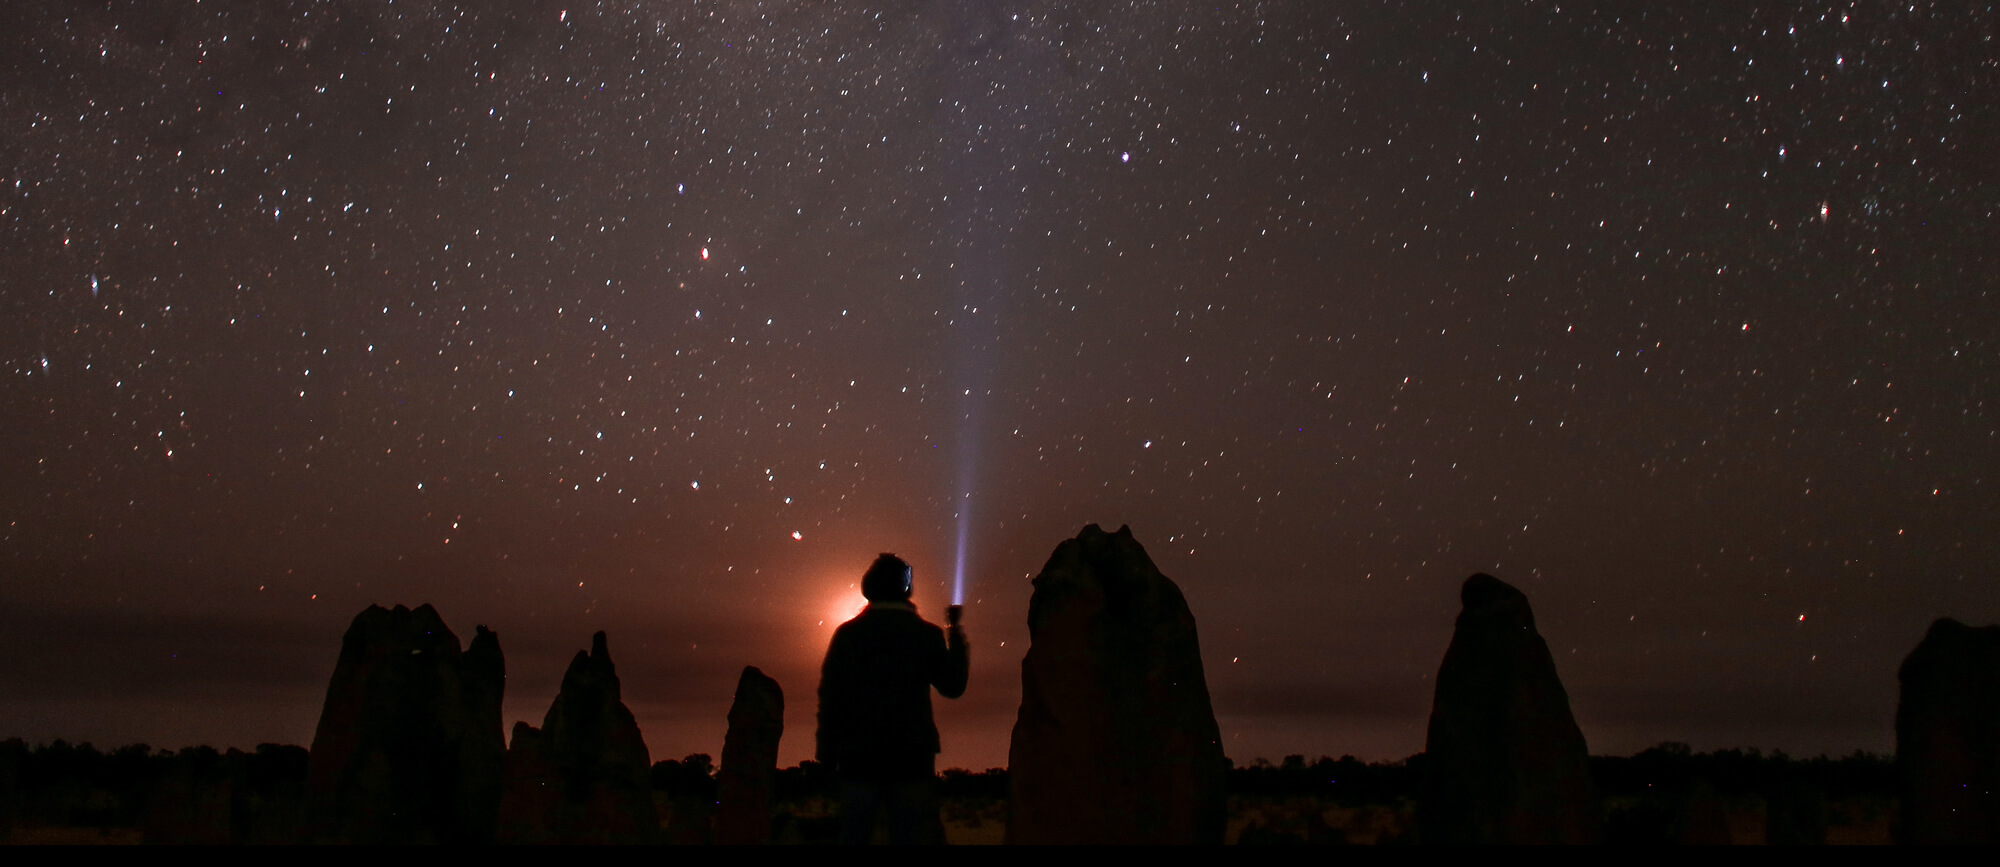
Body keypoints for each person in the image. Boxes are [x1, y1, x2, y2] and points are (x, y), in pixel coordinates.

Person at [816, 553, 970, 844]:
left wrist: (827, 753)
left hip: (858, 757)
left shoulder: (848, 635)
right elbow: (953, 686)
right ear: (907, 588)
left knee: (854, 834)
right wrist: (956, 635)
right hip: (911, 757)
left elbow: (831, 698)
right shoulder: (926, 635)